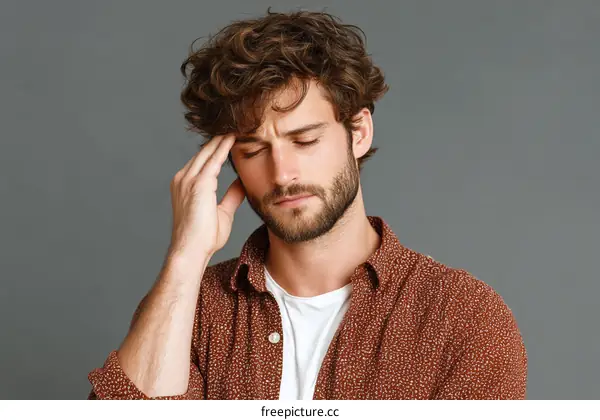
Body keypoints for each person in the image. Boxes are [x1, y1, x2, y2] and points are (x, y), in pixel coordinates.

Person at [87, 9, 527, 400]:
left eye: (305, 140)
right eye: (254, 150)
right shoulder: (190, 308)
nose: (282, 173)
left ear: (358, 133)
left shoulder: (464, 319)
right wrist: (185, 257)